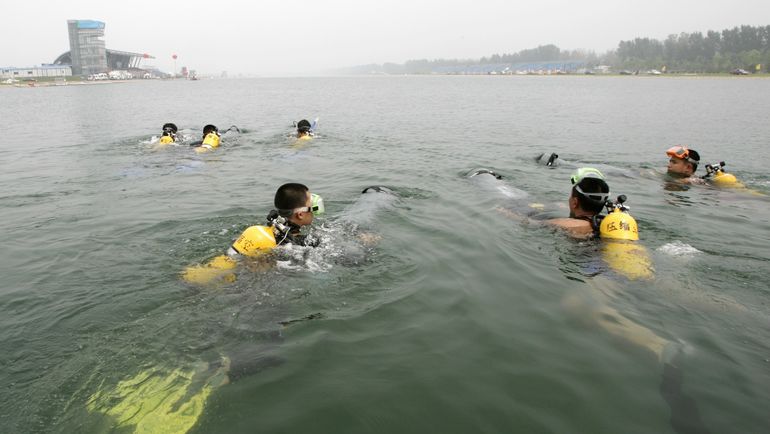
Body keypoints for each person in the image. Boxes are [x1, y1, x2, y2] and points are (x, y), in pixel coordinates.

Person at [546, 167, 610, 239]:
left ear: (575, 202)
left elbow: (532, 223)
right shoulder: (607, 224)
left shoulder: (564, 224)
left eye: (571, 197)